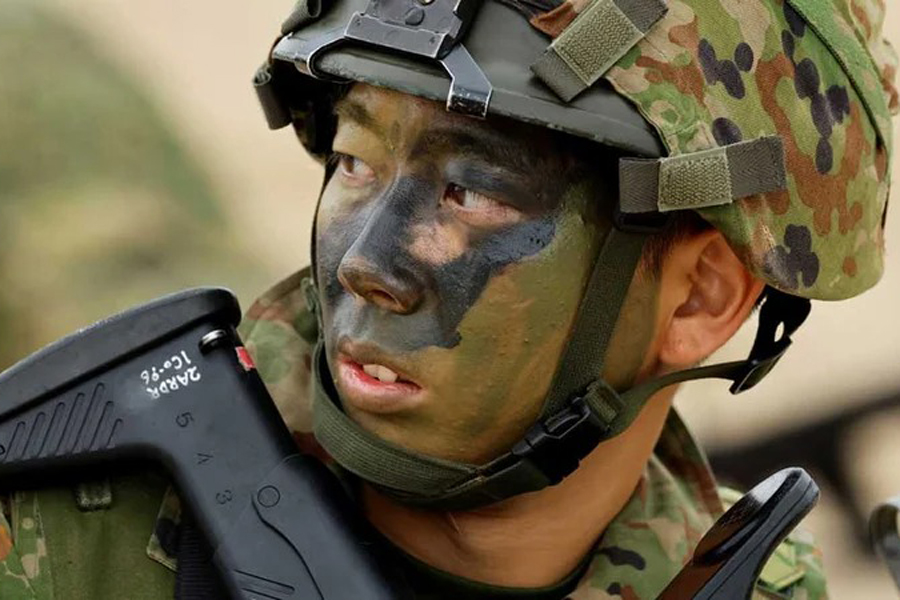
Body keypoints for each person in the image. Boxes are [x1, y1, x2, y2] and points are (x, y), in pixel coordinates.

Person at [1, 0, 897, 598]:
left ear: (699, 299)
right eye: (355, 161)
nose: (367, 265)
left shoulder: (748, 583)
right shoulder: (58, 536)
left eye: (470, 193)